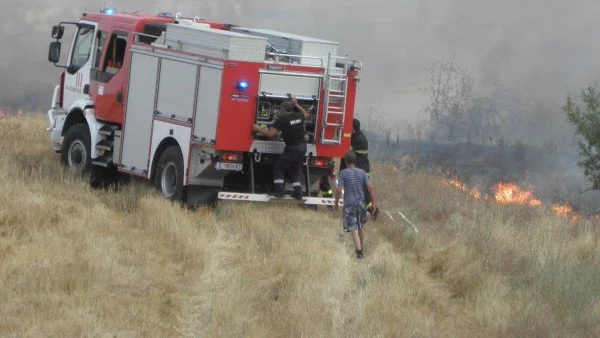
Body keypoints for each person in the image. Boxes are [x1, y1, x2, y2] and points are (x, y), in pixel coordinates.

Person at [252, 95, 309, 200]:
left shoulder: (282, 119)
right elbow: (306, 114)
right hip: (303, 147)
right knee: (295, 171)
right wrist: (296, 104)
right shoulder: (298, 115)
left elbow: (270, 134)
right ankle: (299, 193)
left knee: (279, 168)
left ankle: (280, 192)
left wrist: (258, 129)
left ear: (283, 108)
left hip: (292, 148)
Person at [335, 150, 376, 260]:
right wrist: (373, 204)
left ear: (346, 161)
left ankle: (359, 253)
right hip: (361, 204)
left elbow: (339, 190)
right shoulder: (362, 173)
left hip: (350, 204)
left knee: (354, 229)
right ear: (355, 160)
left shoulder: (343, 173)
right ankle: (360, 248)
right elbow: (371, 188)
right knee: (360, 227)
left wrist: (336, 203)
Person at [339, 118, 379, 219]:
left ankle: (374, 211)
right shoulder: (357, 137)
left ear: (352, 128)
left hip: (362, 171)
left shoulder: (358, 139)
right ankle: (371, 211)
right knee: (362, 193)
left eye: (348, 126)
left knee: (364, 194)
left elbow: (346, 150)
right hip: (361, 170)